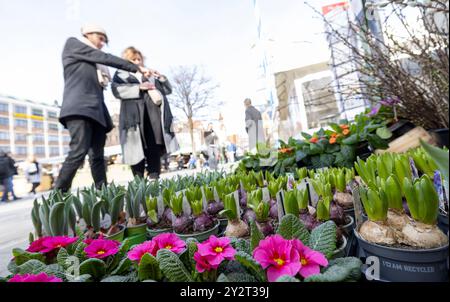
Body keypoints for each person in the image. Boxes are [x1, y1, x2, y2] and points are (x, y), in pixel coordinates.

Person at [54, 24, 153, 193]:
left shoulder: (95, 62)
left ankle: (103, 193)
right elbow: (103, 57)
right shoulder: (73, 44)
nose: (101, 43)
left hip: (96, 110)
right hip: (79, 107)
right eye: (100, 39)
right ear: (88, 34)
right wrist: (136, 67)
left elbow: (100, 58)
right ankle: (59, 194)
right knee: (78, 151)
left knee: (97, 156)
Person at [112, 47, 179, 180]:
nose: (137, 62)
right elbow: (116, 91)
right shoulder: (120, 74)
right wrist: (138, 87)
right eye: (133, 59)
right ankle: (139, 184)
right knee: (135, 149)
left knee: (154, 146)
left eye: (139, 59)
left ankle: (155, 178)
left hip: (153, 116)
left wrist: (160, 77)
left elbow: (167, 90)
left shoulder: (150, 74)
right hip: (133, 118)